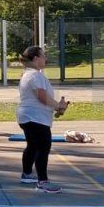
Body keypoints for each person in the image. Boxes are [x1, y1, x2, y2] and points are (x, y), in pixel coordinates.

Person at [16, 46, 68, 193]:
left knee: (32, 146)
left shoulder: (29, 74)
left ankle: (27, 174)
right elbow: (42, 97)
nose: (46, 59)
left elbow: (41, 98)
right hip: (35, 117)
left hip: (29, 116)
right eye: (43, 56)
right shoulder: (35, 75)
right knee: (42, 148)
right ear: (35, 59)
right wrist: (58, 106)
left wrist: (57, 108)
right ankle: (42, 182)